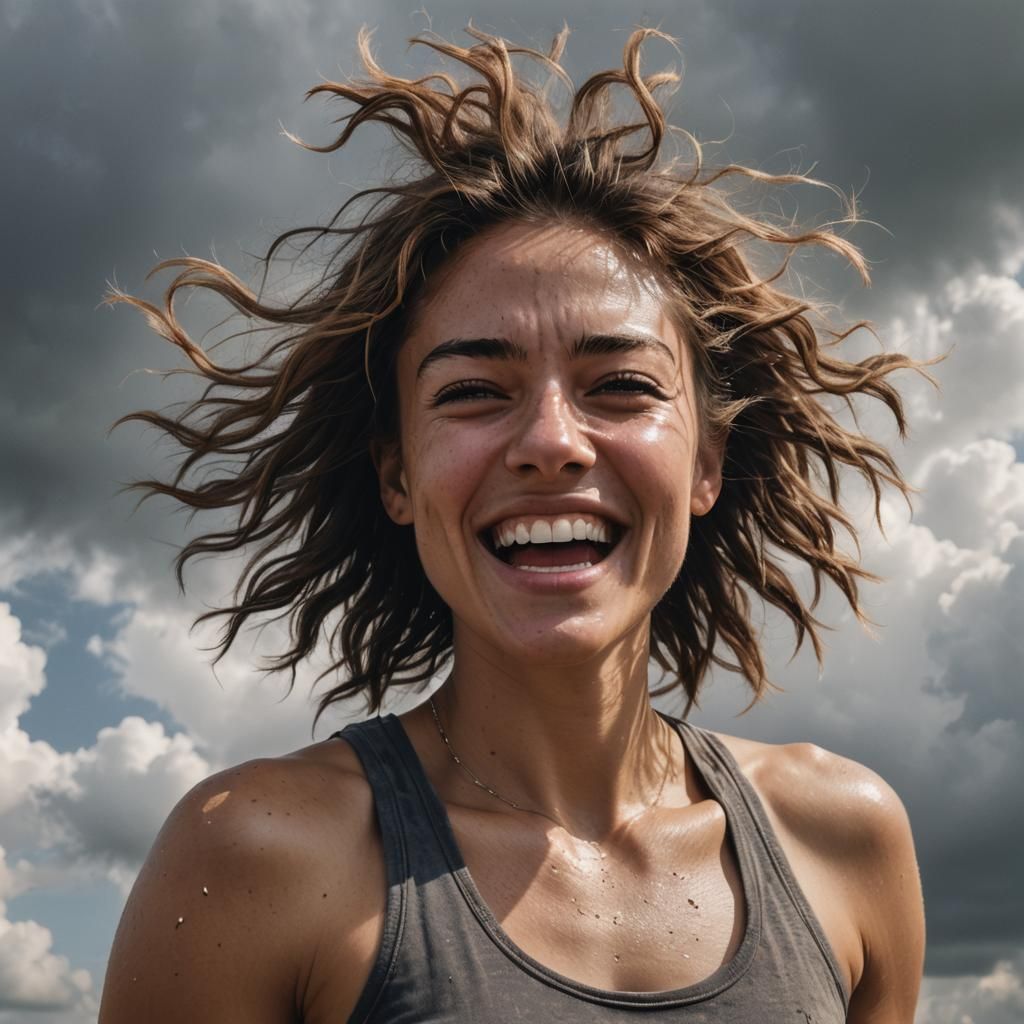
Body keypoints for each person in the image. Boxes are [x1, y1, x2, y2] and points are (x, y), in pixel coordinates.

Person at [98, 25, 928, 1024]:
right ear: (397, 476)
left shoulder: (844, 838)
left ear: (706, 461)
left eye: (619, 384)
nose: (549, 441)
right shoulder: (258, 858)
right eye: (472, 391)